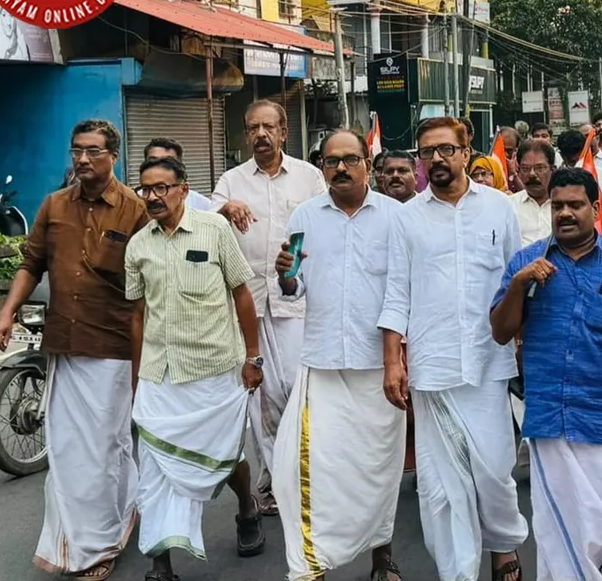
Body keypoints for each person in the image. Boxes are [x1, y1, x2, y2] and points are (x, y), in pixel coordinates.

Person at [490, 166, 602, 581]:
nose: (565, 213)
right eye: (558, 206)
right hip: (552, 419)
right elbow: (501, 332)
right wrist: (519, 284)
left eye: (575, 205)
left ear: (595, 207)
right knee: (560, 530)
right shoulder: (525, 262)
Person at [0, 119, 147, 581]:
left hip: (114, 347)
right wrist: (5, 313)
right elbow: (30, 264)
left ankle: (104, 540)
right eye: (77, 150)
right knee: (68, 450)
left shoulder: (135, 210)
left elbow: (150, 286)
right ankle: (87, 540)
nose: (82, 159)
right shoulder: (54, 205)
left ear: (112, 156)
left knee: (106, 447)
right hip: (65, 343)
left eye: (93, 151)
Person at [379, 117, 528, 581]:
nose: (437, 159)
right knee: (442, 487)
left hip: (489, 361)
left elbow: (514, 282)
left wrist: (524, 348)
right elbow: (396, 293)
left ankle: (502, 544)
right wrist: (392, 362)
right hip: (432, 363)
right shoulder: (407, 218)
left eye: (446, 149)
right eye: (428, 152)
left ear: (467, 152)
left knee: (495, 470)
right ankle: (458, 571)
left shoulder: (500, 210)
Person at [272, 129, 406, 581]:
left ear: (368, 162)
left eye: (351, 159)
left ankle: (381, 561)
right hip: (323, 364)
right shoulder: (304, 217)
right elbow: (293, 289)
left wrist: (396, 362)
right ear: (322, 166)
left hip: (379, 370)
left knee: (378, 472)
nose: (341, 168)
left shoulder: (395, 218)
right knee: (309, 470)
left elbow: (402, 294)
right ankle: (313, 562)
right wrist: (287, 276)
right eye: (332, 161)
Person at [126, 156, 265, 581]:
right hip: (159, 374)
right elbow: (136, 315)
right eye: (145, 189)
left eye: (161, 187)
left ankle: (246, 507)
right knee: (154, 466)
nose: (152, 196)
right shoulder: (138, 245)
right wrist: (137, 378)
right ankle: (160, 561)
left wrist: (253, 356)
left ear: (184, 189)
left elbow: (242, 294)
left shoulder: (214, 229)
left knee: (226, 455)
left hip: (214, 368)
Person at [211, 99, 327, 514]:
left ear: (283, 132)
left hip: (294, 302)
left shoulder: (310, 178)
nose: (261, 135)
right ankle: (275, 482)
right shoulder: (231, 180)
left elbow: (320, 230)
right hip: (249, 309)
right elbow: (207, 216)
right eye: (252, 128)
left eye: (268, 127)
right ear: (246, 135)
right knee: (261, 399)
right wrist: (225, 207)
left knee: (297, 391)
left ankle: (304, 473)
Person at [557, 128, 602, 213]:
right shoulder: (555, 179)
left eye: (579, 161)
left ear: (586, 151)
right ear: (562, 156)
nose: (576, 167)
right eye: (572, 163)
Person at [144, 138, 212, 211]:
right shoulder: (135, 203)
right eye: (153, 161)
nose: (159, 167)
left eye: (167, 162)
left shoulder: (202, 205)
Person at [509, 139, 555, 247]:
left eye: (539, 168)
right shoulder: (509, 205)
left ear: (552, 169)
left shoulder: (564, 205)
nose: (532, 174)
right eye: (525, 169)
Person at [500, 126, 525, 193]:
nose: (506, 154)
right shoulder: (491, 163)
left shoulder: (523, 164)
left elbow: (526, 193)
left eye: (509, 150)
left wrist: (513, 173)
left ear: (516, 148)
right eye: (503, 149)